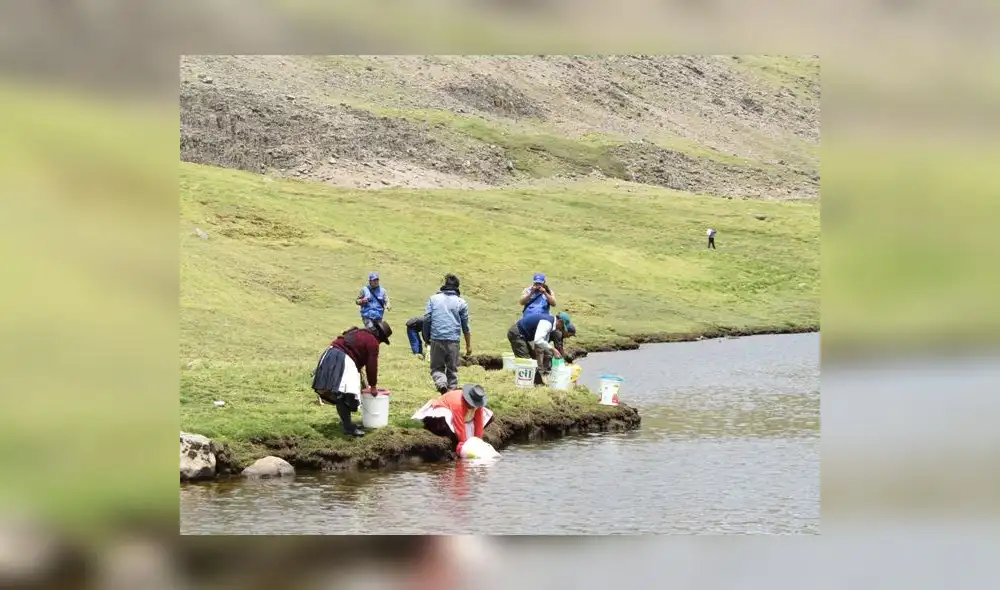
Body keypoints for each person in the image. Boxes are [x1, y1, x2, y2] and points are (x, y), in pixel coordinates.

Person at [311, 319, 392, 437]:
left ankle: (347, 424)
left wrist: (365, 384)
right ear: (379, 335)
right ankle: (348, 427)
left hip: (330, 354)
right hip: (342, 359)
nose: (380, 343)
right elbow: (372, 365)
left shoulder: (358, 332)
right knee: (345, 395)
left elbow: (357, 357)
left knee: (341, 394)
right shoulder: (372, 342)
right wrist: (373, 386)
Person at [411, 384, 495, 456]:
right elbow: (459, 425)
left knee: (489, 415)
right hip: (442, 411)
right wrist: (463, 445)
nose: (474, 407)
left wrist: (478, 442)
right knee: (445, 420)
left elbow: (479, 422)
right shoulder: (458, 403)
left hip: (465, 417)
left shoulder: (478, 404)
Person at [422, 274, 472, 394]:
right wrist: (468, 345)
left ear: (445, 285)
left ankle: (441, 384)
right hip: (453, 340)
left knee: (436, 369)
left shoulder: (433, 299)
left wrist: (426, 337)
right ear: (457, 287)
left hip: (436, 338)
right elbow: (465, 326)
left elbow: (427, 319)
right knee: (452, 371)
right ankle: (451, 394)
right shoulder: (461, 303)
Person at [506, 311, 576, 385]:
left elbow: (542, 342)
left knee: (533, 361)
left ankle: (537, 383)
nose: (561, 329)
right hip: (517, 334)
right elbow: (538, 340)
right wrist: (553, 349)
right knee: (526, 362)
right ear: (560, 322)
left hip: (523, 336)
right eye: (562, 327)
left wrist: (550, 353)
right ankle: (526, 386)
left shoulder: (551, 323)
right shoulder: (547, 323)